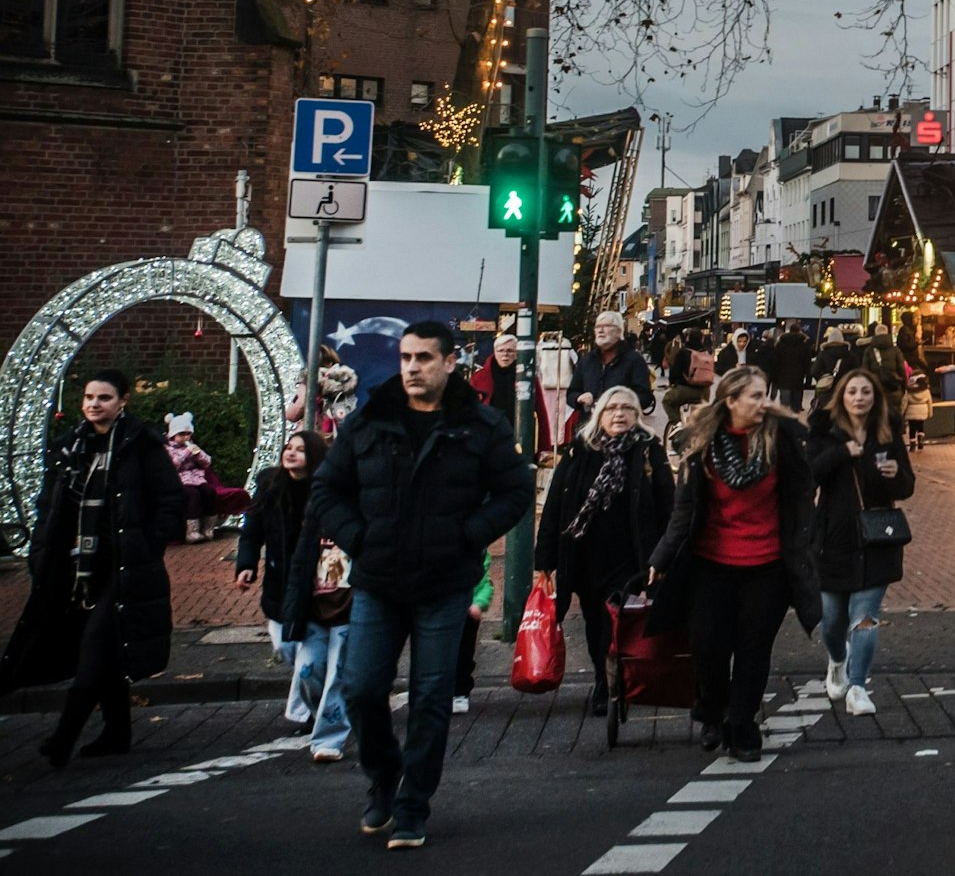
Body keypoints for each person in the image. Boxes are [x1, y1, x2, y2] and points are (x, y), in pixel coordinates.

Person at [312, 321, 534, 850]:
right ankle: (385, 779)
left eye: (424, 358)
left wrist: (470, 536)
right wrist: (358, 539)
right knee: (361, 689)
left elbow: (514, 490)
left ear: (449, 362)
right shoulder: (370, 420)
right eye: (406, 357)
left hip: (445, 581)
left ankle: (412, 806)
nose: (412, 367)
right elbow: (326, 489)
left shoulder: (481, 425)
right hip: (378, 581)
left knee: (432, 698)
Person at [0, 370, 182, 768]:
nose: (94, 404)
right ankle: (117, 733)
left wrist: (148, 546)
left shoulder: (140, 445)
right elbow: (50, 505)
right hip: (75, 569)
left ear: (123, 402)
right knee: (108, 652)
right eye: (89, 397)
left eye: (104, 397)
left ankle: (63, 737)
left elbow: (169, 499)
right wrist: (42, 555)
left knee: (96, 646)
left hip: (122, 565)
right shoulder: (71, 447)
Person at [645, 366, 819, 763]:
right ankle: (712, 708)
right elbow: (683, 509)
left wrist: (807, 545)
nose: (764, 403)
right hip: (712, 563)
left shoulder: (782, 438)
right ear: (731, 401)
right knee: (708, 645)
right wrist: (661, 556)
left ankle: (742, 727)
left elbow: (801, 497)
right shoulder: (701, 442)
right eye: (755, 396)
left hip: (769, 564)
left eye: (765, 394)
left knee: (754, 649)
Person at [534, 386, 671, 716]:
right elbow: (556, 506)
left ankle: (610, 685)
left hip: (630, 554)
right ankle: (602, 675)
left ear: (638, 416)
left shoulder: (649, 451)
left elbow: (669, 505)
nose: (619, 414)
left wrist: (664, 556)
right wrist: (545, 561)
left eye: (627, 409)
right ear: (599, 414)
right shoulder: (579, 452)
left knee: (617, 621)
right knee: (595, 622)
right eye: (612, 409)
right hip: (583, 554)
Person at [235, 430, 349, 759]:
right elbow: (251, 529)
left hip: (332, 593)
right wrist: (246, 564)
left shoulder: (329, 492)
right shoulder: (271, 486)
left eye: (300, 450)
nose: (291, 453)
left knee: (331, 668)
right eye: (289, 447)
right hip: (284, 586)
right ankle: (320, 711)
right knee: (296, 658)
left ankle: (327, 733)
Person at [807, 369, 913, 717]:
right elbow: (808, 476)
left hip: (876, 537)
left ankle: (858, 687)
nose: (859, 397)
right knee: (832, 619)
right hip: (833, 537)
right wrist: (842, 453)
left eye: (866, 391)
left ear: (875, 396)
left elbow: (907, 486)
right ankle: (838, 659)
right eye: (852, 391)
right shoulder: (824, 432)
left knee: (864, 617)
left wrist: (895, 475)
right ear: (841, 396)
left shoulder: (887, 433)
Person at [570, 311, 656, 423]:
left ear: (618, 331)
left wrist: (620, 404)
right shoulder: (587, 361)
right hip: (588, 429)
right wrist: (578, 398)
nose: (600, 331)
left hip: (622, 428)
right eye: (597, 327)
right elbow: (571, 392)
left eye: (606, 326)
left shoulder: (634, 360)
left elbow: (645, 397)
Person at [450, 553, 492, 715]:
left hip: (468, 611)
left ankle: (460, 692)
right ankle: (452, 691)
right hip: (451, 607)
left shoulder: (477, 561)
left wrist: (479, 603)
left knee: (464, 653)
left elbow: (485, 585)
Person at [165, 413, 217, 542]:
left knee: (210, 493)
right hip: (180, 480)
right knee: (193, 495)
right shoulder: (167, 448)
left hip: (197, 479)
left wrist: (198, 454)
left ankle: (208, 528)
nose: (185, 437)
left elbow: (207, 463)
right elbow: (173, 465)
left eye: (188, 434)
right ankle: (192, 531)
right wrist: (186, 453)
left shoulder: (192, 445)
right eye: (181, 434)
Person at [859, 323, 908, 418]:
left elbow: (865, 372)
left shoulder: (869, 350)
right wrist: (903, 387)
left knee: (877, 416)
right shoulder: (896, 350)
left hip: (875, 389)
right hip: (893, 388)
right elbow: (902, 370)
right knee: (894, 417)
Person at [664, 329, 716, 419]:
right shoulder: (707, 353)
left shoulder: (683, 352)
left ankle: (677, 424)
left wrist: (671, 382)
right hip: (704, 391)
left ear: (688, 338)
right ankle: (699, 426)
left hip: (684, 390)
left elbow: (674, 371)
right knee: (701, 412)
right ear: (702, 339)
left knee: (667, 401)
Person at [807, 325, 856, 409]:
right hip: (845, 388)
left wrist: (823, 379)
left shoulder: (823, 354)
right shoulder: (850, 355)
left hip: (827, 391)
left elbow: (814, 371)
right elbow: (856, 371)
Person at [771, 321, 813, 412]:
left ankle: (783, 421)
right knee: (795, 405)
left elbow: (775, 361)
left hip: (783, 377)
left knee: (784, 405)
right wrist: (808, 378)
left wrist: (775, 377)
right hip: (798, 378)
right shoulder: (804, 345)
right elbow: (807, 363)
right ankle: (794, 417)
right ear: (799, 331)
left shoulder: (780, 344)